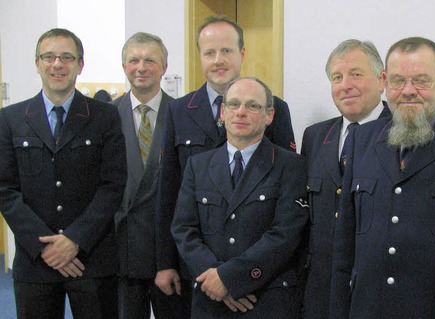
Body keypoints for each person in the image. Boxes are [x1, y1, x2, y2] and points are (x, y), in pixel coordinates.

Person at [155, 15, 296, 316]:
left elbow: (284, 191)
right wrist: (166, 262)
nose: (218, 60)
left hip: (262, 279)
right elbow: (169, 190)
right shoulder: (179, 111)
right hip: (200, 273)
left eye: (227, 51)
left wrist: (235, 278)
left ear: (242, 54)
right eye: (209, 52)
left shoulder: (277, 108)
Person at [330, 37, 435, 318]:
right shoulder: (363, 139)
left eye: (421, 80)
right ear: (384, 81)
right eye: (398, 81)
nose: (408, 91)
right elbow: (344, 250)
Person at [0, 28, 126, 319]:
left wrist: (74, 240)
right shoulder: (10, 119)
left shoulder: (104, 116)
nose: (57, 64)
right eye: (49, 56)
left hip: (91, 259)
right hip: (35, 261)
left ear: (80, 64)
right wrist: (47, 247)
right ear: (37, 63)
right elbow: (5, 189)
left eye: (67, 57)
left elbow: (113, 184)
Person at [171, 77, 308, 318]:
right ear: (222, 112)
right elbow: (183, 229)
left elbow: (284, 235)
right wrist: (216, 281)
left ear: (269, 115)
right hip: (210, 300)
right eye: (234, 104)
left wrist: (230, 279)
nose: (241, 112)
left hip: (266, 300)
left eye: (253, 106)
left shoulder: (291, 165)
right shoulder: (198, 165)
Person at [300, 39, 390, 319]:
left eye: (356, 74)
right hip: (321, 291)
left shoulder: (404, 134)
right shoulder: (315, 136)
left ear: (381, 79)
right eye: (337, 77)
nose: (345, 85)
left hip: (378, 292)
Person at [113, 32, 184, 319]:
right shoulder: (107, 116)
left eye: (150, 60)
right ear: (124, 66)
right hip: (123, 250)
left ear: (164, 68)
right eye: (133, 60)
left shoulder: (182, 114)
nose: (141, 67)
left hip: (168, 249)